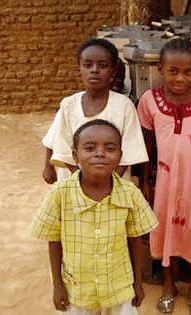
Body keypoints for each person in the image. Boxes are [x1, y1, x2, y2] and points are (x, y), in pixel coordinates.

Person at [30, 119, 158, 315]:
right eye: (89, 148)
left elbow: (135, 238)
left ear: (120, 155)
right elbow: (53, 240)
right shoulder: (60, 194)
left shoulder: (130, 193)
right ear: (75, 155)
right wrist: (57, 285)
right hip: (78, 289)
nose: (100, 153)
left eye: (110, 148)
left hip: (119, 287)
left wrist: (137, 283)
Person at [137, 38, 191, 315]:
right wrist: (145, 180)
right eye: (173, 71)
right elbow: (147, 142)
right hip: (164, 181)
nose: (180, 78)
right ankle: (167, 284)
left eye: (187, 72)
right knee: (164, 230)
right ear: (161, 69)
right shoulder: (150, 101)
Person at [42, 38, 147, 184]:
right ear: (79, 68)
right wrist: (83, 183)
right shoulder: (69, 105)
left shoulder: (124, 106)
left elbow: (130, 150)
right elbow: (62, 146)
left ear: (113, 70)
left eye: (102, 65)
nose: (95, 70)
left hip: (115, 184)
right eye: (88, 65)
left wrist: (108, 183)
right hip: (73, 182)